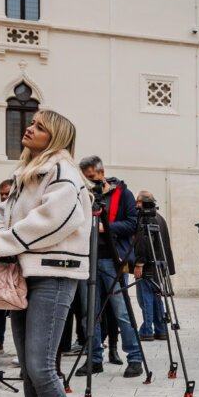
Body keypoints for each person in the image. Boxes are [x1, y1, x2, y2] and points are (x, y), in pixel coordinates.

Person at [0, 109, 92, 397]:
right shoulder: (28, 172)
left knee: (42, 367)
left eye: (39, 127)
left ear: (56, 137)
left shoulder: (63, 172)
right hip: (26, 273)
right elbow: (4, 214)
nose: (29, 128)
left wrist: (3, 244)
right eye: (31, 124)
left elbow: (57, 220)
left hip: (55, 274)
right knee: (30, 369)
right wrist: (0, 237)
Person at [79, 157, 145, 378]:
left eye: (91, 177)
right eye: (85, 178)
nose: (89, 182)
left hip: (113, 260)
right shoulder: (83, 195)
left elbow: (133, 223)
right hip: (88, 258)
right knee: (91, 313)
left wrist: (104, 227)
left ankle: (135, 358)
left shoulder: (122, 193)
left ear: (101, 173)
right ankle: (94, 358)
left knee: (121, 311)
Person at [133, 191, 174, 341]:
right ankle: (161, 329)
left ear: (143, 202)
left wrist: (139, 264)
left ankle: (146, 330)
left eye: (138, 201)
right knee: (156, 298)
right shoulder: (160, 218)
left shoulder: (146, 218)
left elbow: (144, 243)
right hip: (159, 266)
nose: (136, 205)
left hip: (148, 266)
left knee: (146, 299)